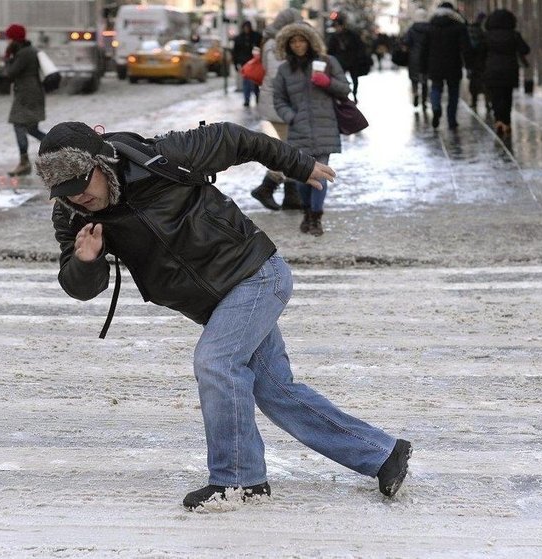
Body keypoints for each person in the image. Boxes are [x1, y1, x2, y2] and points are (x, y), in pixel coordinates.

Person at [34, 120, 412, 510]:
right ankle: (382, 454)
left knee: (216, 362)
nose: (78, 197)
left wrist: (299, 165)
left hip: (256, 275)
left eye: (81, 184)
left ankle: (238, 479)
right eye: (66, 192)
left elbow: (235, 139)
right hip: (213, 306)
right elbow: (80, 287)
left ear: (100, 163)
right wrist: (86, 259)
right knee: (276, 391)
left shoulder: (159, 157)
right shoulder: (74, 216)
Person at [273, 22, 348, 237]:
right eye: (293, 41)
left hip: (325, 127)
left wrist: (327, 82)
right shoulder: (284, 70)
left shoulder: (327, 62)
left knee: (320, 175)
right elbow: (278, 99)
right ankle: (307, 212)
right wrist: (290, 116)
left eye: (302, 40)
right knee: (301, 177)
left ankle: (316, 218)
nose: (298, 45)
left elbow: (345, 89)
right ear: (288, 45)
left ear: (310, 41)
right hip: (299, 130)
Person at [252, 7, 305, 212]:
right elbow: (277, 75)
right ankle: (267, 187)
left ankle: (291, 194)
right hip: (278, 105)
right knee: (288, 150)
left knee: (292, 149)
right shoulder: (275, 44)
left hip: (283, 103)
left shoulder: (278, 42)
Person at [420, 2, 471, 130]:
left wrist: (422, 67)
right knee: (453, 92)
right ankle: (451, 119)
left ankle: (436, 107)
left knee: (436, 88)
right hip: (453, 64)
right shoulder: (459, 27)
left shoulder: (430, 27)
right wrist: (469, 64)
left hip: (434, 64)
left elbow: (423, 49)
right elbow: (466, 48)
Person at [4, 23, 47, 176]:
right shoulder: (27, 51)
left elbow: (11, 72)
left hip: (27, 95)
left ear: (15, 39)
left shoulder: (24, 53)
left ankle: (24, 162)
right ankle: (57, 146)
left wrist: (7, 59)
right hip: (30, 93)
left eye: (9, 38)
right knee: (31, 128)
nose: (7, 41)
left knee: (19, 125)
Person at [481, 9, 530, 135]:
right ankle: (506, 122)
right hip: (509, 70)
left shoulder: (487, 35)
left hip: (492, 70)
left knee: (496, 96)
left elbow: (480, 52)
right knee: (507, 96)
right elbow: (525, 49)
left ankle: (498, 120)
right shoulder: (514, 35)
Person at [325, 15, 370, 104]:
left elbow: (360, 46)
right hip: (340, 62)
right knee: (341, 79)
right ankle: (343, 95)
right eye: (336, 26)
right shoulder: (333, 37)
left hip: (353, 61)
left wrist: (359, 57)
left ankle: (354, 95)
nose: (338, 28)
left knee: (354, 80)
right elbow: (330, 50)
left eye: (339, 26)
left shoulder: (352, 35)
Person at [402, 8, 430, 113]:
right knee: (424, 80)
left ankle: (415, 94)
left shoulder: (412, 29)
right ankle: (424, 101)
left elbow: (406, 42)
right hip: (426, 57)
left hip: (413, 57)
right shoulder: (429, 28)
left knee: (414, 79)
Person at [232, 21, 262, 107]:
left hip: (255, 63)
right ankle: (247, 99)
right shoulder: (239, 38)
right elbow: (235, 52)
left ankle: (256, 97)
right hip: (245, 63)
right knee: (246, 82)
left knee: (255, 81)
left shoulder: (256, 36)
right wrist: (236, 63)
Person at [467, 12, 489, 111]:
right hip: (483, 60)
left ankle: (474, 101)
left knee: (474, 82)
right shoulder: (484, 31)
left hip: (474, 60)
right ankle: (487, 102)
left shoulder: (472, 30)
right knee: (485, 82)